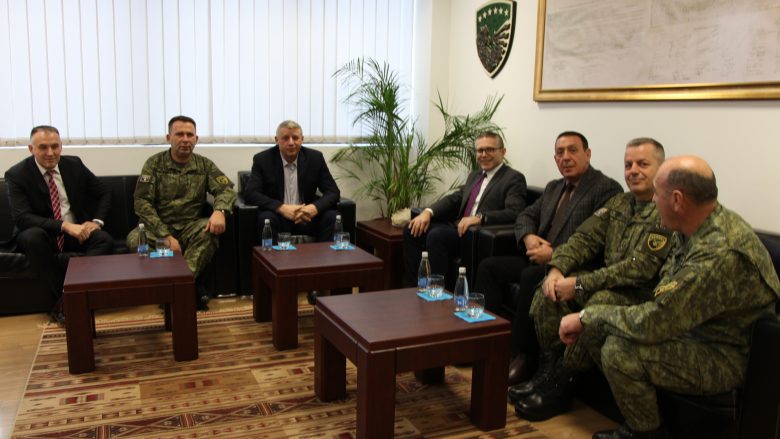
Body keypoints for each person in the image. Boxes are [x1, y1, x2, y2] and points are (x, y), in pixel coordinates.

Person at [558, 156, 780, 439]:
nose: (653, 200)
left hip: (723, 354)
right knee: (598, 322)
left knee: (618, 351)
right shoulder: (693, 225)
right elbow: (665, 294)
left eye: (657, 193)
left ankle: (647, 433)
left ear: (677, 200)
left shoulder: (718, 254)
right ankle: (627, 408)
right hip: (688, 329)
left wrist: (585, 316)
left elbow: (655, 322)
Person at [511, 138, 675, 421]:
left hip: (640, 294)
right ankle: (546, 373)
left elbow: (638, 269)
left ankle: (561, 385)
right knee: (548, 292)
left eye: (642, 164)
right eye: (628, 164)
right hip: (607, 282)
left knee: (596, 305)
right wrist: (557, 269)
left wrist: (578, 284)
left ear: (661, 169)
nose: (633, 171)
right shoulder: (619, 203)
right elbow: (584, 239)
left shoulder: (666, 212)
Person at [474, 131, 622, 385]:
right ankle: (484, 343)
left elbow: (599, 239)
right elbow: (525, 215)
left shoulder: (606, 189)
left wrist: (555, 254)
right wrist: (528, 237)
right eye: (560, 153)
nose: (566, 157)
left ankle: (522, 357)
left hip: (573, 265)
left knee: (530, 275)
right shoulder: (554, 187)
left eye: (572, 150)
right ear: (555, 159)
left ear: (587, 154)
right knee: (489, 267)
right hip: (537, 255)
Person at [5, 125, 113, 324]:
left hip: (75, 234)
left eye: (55, 146)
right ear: (31, 149)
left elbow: (104, 191)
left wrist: (96, 221)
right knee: (33, 236)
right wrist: (64, 226)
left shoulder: (74, 165)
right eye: (43, 147)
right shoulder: (17, 174)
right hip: (41, 235)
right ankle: (64, 299)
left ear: (61, 146)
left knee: (103, 239)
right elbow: (22, 217)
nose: (50, 153)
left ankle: (66, 301)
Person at [128, 115, 236, 310]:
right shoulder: (154, 164)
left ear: (196, 139)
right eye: (179, 134)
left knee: (208, 231)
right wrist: (165, 236)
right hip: (158, 229)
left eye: (190, 135)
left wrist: (220, 210)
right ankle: (186, 290)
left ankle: (177, 288)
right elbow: (142, 202)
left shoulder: (204, 165)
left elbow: (226, 189)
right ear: (168, 137)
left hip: (189, 227)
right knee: (135, 240)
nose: (185, 139)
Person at [402, 131, 527, 290]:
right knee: (411, 229)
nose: (483, 154)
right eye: (480, 150)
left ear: (503, 151)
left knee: (436, 236)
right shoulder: (475, 175)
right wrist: (428, 212)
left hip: (474, 236)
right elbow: (454, 198)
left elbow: (515, 212)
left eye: (489, 149)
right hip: (457, 228)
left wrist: (481, 218)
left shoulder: (513, 178)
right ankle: (414, 287)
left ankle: (437, 291)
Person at [244, 120, 341, 304]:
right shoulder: (263, 159)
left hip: (308, 217)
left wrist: (314, 208)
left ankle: (319, 284)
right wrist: (281, 208)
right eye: (285, 138)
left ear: (302, 139)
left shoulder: (315, 158)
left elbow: (333, 192)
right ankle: (277, 284)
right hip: (279, 217)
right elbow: (251, 193)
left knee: (332, 217)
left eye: (295, 138)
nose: (291, 142)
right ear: (276, 140)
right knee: (266, 218)